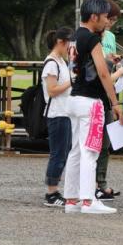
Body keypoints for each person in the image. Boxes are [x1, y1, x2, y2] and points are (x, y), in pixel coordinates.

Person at [62, 0, 123, 214]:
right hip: (91, 101)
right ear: (93, 17)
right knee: (91, 151)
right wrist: (115, 102)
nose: (106, 21)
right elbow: (102, 72)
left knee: (75, 151)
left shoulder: (73, 38)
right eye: (104, 17)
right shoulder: (92, 39)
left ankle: (71, 199)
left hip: (73, 98)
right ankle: (89, 201)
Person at [93, 2, 123, 201]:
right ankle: (93, 185)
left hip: (110, 89)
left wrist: (115, 60)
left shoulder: (110, 37)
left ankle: (101, 183)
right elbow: (99, 68)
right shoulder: (91, 38)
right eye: (108, 18)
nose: (110, 23)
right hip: (98, 92)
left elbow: (107, 62)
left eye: (113, 20)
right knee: (94, 143)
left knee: (105, 142)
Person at [41, 27, 74, 206]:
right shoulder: (52, 63)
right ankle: (51, 192)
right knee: (58, 153)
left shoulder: (61, 61)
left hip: (65, 112)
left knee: (64, 151)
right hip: (57, 114)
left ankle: (55, 189)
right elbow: (52, 90)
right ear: (61, 42)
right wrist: (71, 81)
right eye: (69, 43)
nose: (70, 47)